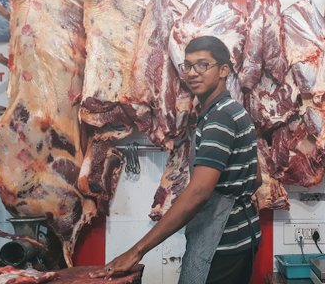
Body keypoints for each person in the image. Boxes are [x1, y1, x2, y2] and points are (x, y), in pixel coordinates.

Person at [91, 36, 262, 284]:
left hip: (221, 246)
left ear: (224, 70)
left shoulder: (220, 118)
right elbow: (255, 178)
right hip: (240, 238)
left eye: (203, 65)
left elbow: (200, 191)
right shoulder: (232, 111)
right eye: (188, 66)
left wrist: (136, 251)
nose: (193, 73)